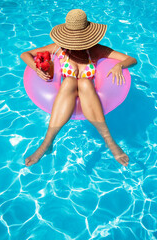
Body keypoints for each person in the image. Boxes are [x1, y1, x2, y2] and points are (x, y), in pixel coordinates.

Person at [20, 9, 137, 167]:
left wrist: (120, 66)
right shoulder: (59, 48)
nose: (75, 44)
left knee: (84, 82)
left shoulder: (96, 50)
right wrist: (37, 69)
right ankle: (46, 144)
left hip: (89, 95)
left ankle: (110, 142)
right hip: (66, 94)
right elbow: (25, 54)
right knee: (69, 81)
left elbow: (132, 59)